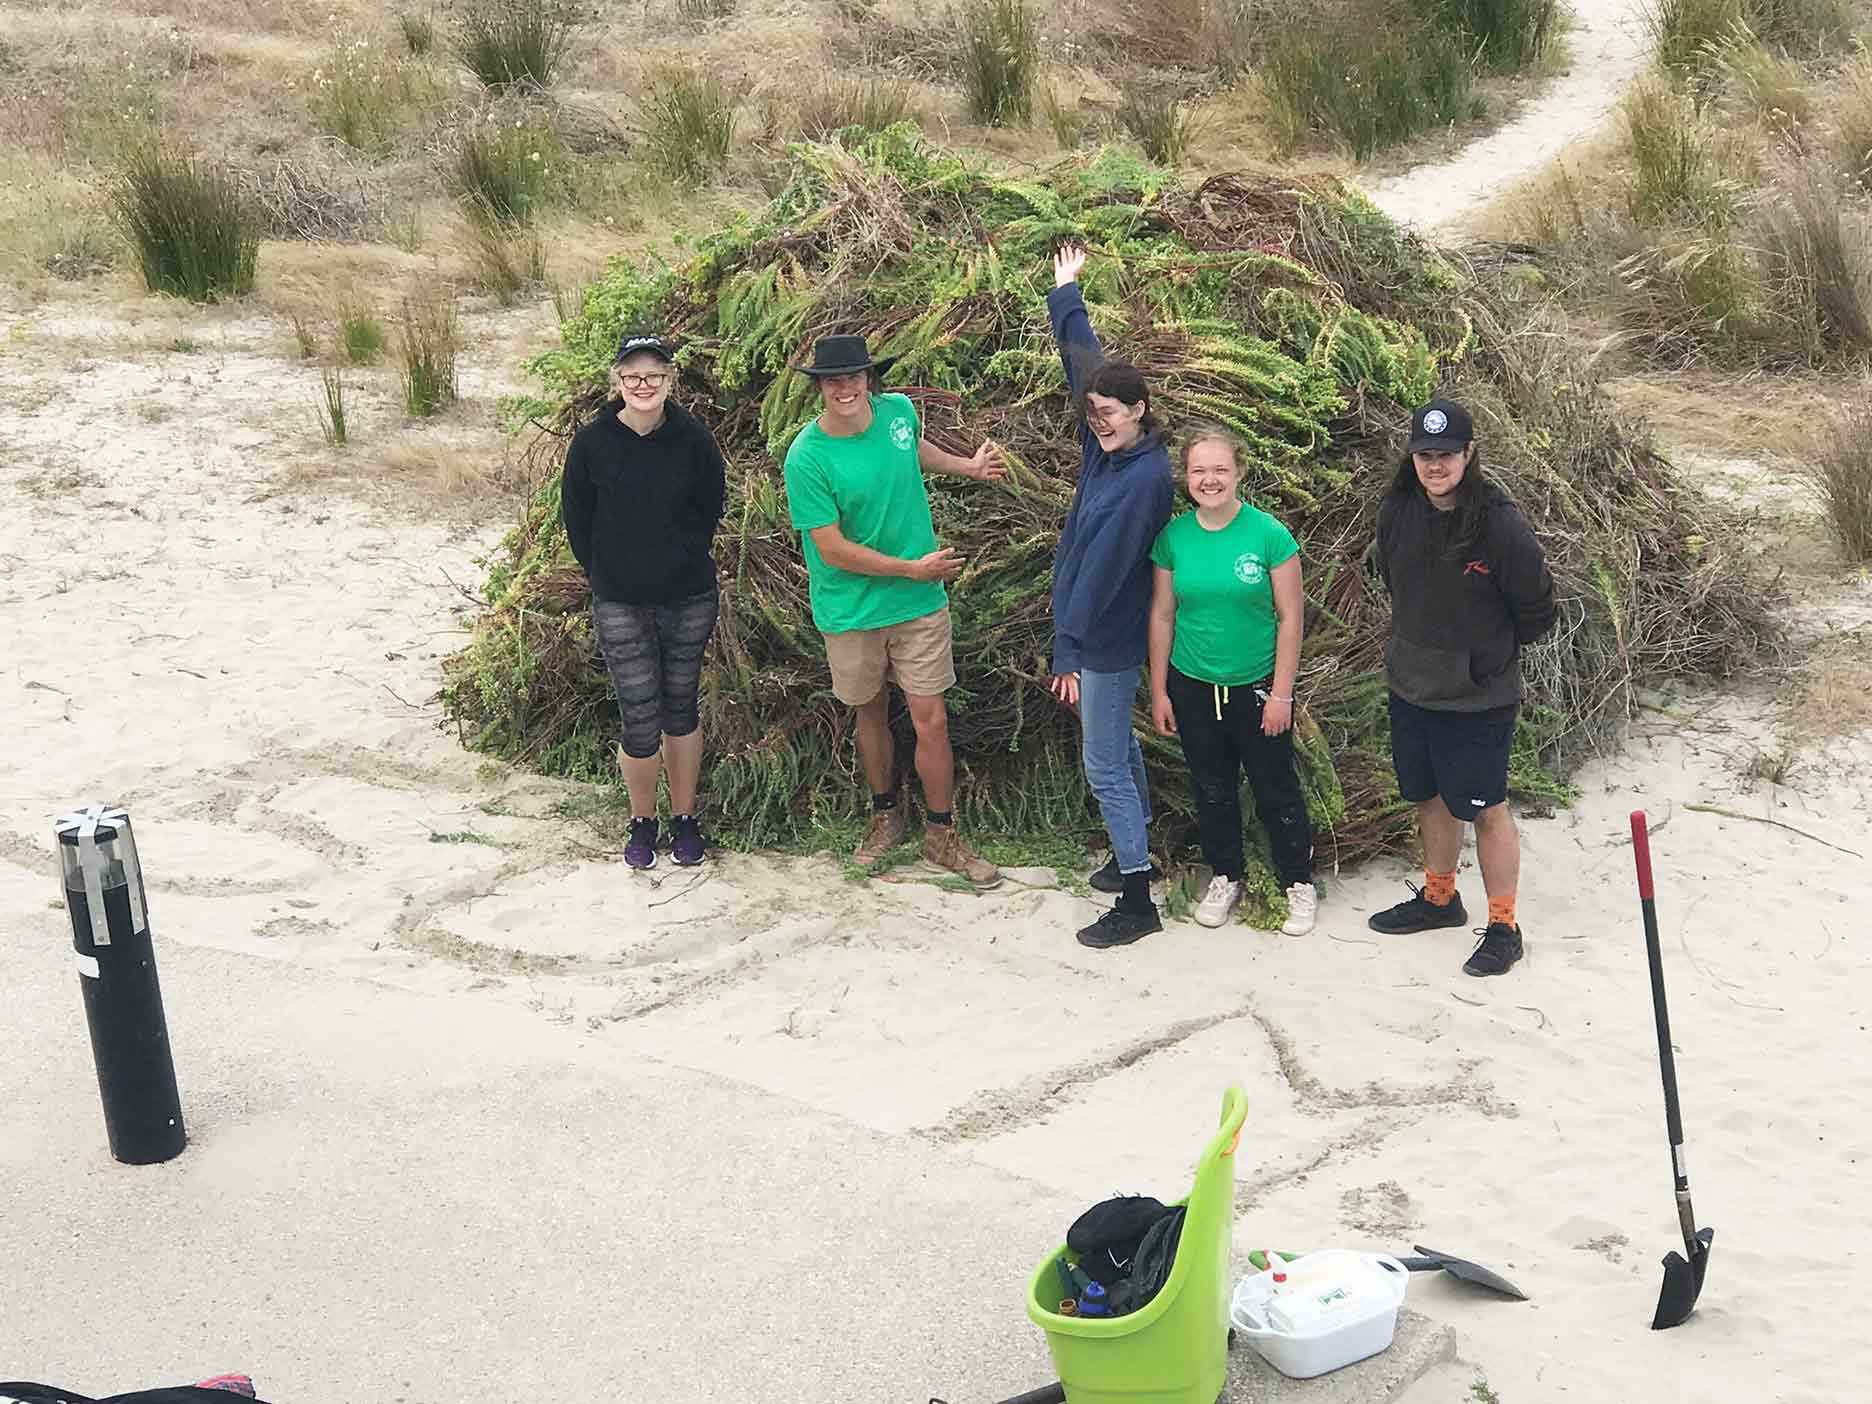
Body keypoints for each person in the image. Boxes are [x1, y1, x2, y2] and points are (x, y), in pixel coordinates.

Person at [782, 333, 1005, 886]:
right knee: (870, 713)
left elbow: (911, 449)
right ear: (819, 388)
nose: (844, 387)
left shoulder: (899, 411)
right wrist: (912, 568)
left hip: (919, 606)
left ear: (868, 379)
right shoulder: (807, 456)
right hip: (852, 609)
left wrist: (967, 467)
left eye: (853, 377)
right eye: (833, 380)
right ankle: (885, 815)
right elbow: (830, 549)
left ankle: (941, 833)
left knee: (932, 718)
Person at [1367, 398, 1557, 977]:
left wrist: (1481, 659)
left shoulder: (1499, 522)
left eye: (1446, 454)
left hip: (1478, 697)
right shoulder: (1398, 509)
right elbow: (1389, 578)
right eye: (1425, 455)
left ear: (1468, 454)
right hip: (1412, 684)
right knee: (1429, 798)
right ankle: (1440, 898)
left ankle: (1503, 925)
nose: (1434, 465)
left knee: (1487, 808)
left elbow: (1538, 609)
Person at [1046, 243, 1176, 949]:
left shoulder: (1142, 482)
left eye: (1111, 412)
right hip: (1102, 633)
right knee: (1116, 746)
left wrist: (1068, 645)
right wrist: (1067, 292)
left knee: (1102, 761)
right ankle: (1140, 854)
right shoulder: (1111, 451)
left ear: (1141, 410)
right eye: (1093, 411)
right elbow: (1084, 363)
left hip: (1107, 635)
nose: (1098, 418)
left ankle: (1136, 897)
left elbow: (1098, 571)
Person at [562, 333, 727, 870]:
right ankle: (642, 822)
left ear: (669, 380)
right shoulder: (592, 443)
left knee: (681, 709)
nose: (642, 384)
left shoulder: (695, 440)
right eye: (632, 374)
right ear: (617, 381)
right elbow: (577, 521)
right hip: (620, 600)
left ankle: (684, 818)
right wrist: (610, 573)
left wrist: (676, 559)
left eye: (653, 374)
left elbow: (710, 509)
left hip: (689, 595)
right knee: (639, 715)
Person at [1148, 429, 1318, 935]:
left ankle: (1297, 883)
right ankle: (1227, 875)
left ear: (1240, 471)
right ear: (1186, 477)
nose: (1210, 479)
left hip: (1257, 687)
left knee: (1275, 789)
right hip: (1193, 685)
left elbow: (1291, 618)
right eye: (1199, 470)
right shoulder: (1173, 538)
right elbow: (1162, 616)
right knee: (1212, 788)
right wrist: (1159, 689)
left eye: (1220, 469)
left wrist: (1282, 692)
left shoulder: (1268, 536)